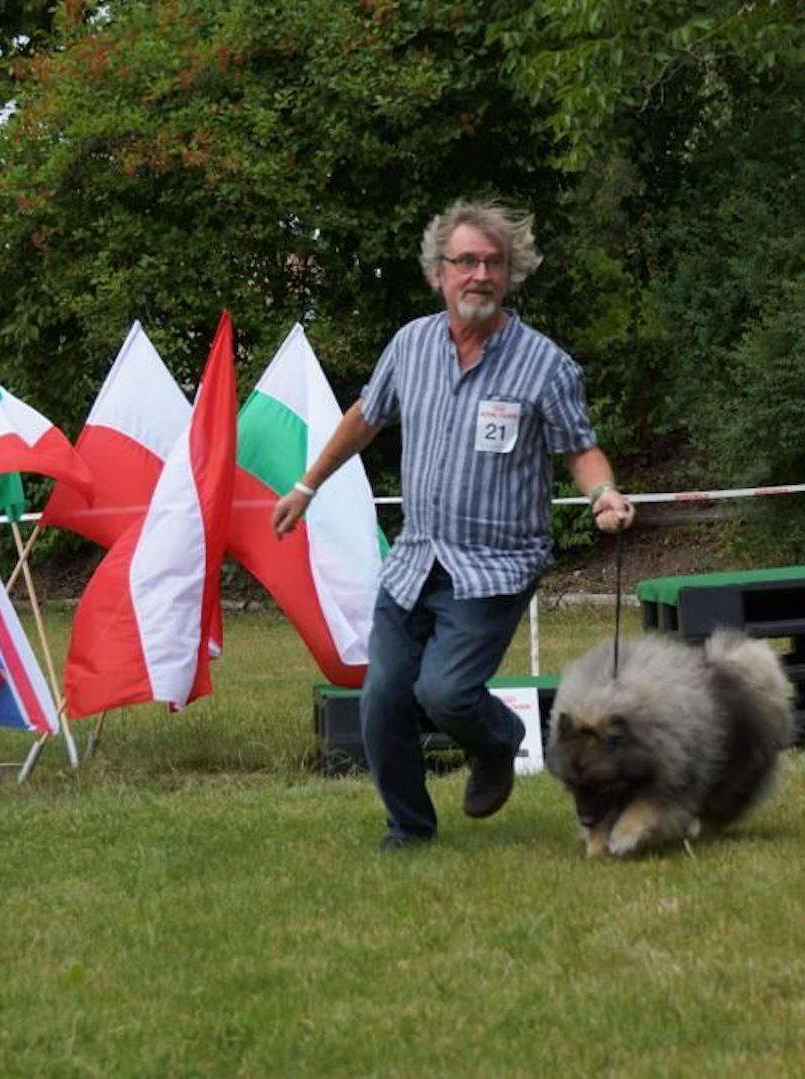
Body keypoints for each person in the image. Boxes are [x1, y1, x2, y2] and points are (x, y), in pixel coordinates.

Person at [271, 198, 635, 850]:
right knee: (382, 697)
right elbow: (366, 414)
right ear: (439, 272)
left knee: (445, 692)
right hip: (416, 559)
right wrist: (307, 483)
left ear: (511, 274)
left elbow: (579, 447)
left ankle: (499, 740)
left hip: (495, 565)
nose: (480, 274)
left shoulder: (544, 364)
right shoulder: (410, 345)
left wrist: (603, 492)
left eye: (494, 263)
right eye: (466, 261)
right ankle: (409, 827)